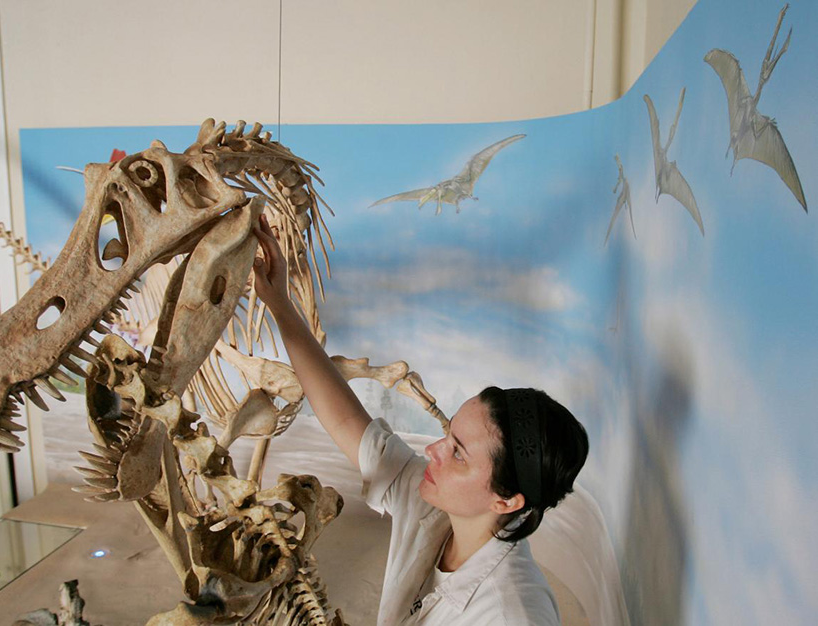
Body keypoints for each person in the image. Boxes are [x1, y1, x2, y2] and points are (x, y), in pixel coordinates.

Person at [251, 215, 589, 625]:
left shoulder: (512, 614)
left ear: (506, 501)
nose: (432, 451)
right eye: (448, 436)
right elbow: (344, 421)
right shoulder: (436, 505)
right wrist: (279, 302)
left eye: (458, 454)